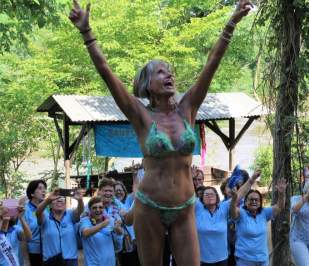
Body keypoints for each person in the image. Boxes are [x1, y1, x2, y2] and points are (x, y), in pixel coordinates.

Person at [68, 0, 253, 264]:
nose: (169, 75)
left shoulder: (188, 108)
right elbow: (107, 73)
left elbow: (212, 63)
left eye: (171, 72)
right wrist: (87, 33)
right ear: (148, 84)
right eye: (161, 72)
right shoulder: (141, 115)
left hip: (185, 206)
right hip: (149, 206)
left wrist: (232, 22)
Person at [230, 176, 287, 266]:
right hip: (244, 259)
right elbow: (233, 213)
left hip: (262, 259)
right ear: (245, 202)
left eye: (256, 200)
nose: (254, 202)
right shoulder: (241, 212)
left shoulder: (264, 213)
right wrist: (234, 200)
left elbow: (280, 206)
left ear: (260, 202)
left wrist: (282, 193)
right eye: (251, 199)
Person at [36, 189, 84, 266]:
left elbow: (80, 211)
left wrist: (80, 200)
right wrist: (48, 200)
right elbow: (38, 212)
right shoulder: (46, 217)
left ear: (65, 204)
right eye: (56, 199)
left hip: (70, 261)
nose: (59, 201)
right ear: (50, 205)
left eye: (62, 200)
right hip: (51, 261)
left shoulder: (70, 214)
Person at [80, 196, 123, 266]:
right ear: (89, 210)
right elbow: (85, 233)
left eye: (100, 207)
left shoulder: (110, 220)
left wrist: (118, 229)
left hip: (110, 263)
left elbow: (119, 235)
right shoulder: (85, 220)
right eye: (94, 207)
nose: (98, 210)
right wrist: (103, 224)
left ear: (103, 209)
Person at [0, 199, 32, 266]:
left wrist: (21, 218)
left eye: (13, 210)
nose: (11, 213)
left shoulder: (16, 228)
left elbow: (29, 238)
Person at [24, 179, 47, 265]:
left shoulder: (47, 209)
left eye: (44, 188)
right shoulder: (25, 210)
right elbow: (22, 236)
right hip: (32, 253)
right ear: (32, 193)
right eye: (40, 188)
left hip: (47, 251)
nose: (43, 190)